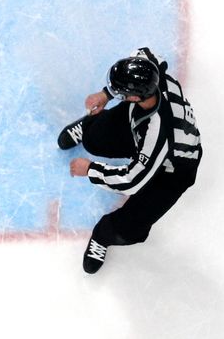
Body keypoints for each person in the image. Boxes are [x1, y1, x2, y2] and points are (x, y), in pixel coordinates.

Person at [57, 47, 201, 274]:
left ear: (134, 97)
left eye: (120, 92)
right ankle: (88, 126)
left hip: (172, 170)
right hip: (144, 125)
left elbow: (132, 181)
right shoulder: (152, 77)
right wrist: (106, 94)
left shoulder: (158, 134)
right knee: (94, 139)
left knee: (129, 228)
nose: (117, 94)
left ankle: (102, 236)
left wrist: (91, 169)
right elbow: (147, 52)